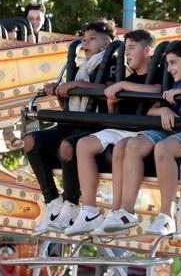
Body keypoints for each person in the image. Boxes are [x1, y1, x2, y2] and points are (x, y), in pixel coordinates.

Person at [101, 39, 181, 238]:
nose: (169, 68)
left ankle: (166, 215)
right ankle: (126, 212)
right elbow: (154, 108)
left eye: (174, 63)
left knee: (163, 149)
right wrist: (164, 109)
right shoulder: (175, 81)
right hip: (176, 126)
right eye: (168, 63)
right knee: (130, 145)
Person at [64, 30, 161, 236]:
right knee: (83, 144)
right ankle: (90, 211)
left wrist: (124, 85)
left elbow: (157, 90)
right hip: (122, 127)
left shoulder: (159, 71)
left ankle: (120, 210)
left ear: (147, 50)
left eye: (131, 48)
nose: (126, 53)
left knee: (121, 148)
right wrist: (111, 101)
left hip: (142, 130)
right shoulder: (129, 77)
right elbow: (114, 114)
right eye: (125, 48)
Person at [24, 19, 116, 236]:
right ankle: (52, 202)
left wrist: (75, 85)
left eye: (92, 39)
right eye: (84, 40)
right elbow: (68, 105)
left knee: (67, 146)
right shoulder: (81, 67)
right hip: (72, 122)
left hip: (96, 125)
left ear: (107, 42)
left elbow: (110, 91)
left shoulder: (111, 63)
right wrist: (59, 90)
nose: (86, 44)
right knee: (31, 140)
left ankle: (72, 203)